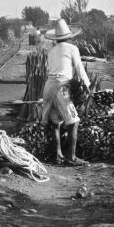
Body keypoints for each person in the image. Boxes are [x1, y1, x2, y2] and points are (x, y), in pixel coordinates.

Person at [40, 19, 90, 166]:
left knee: (55, 123)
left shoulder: (52, 51)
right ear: (69, 36)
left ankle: (57, 156)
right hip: (62, 87)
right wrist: (87, 85)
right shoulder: (72, 48)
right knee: (74, 122)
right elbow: (79, 68)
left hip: (49, 87)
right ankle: (71, 157)